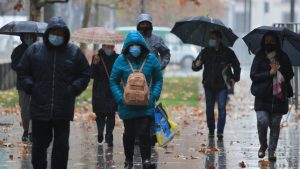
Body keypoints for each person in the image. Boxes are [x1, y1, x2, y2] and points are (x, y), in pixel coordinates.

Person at [17, 16, 90, 169]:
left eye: (60, 33)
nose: (56, 36)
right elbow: (23, 71)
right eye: (54, 32)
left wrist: (74, 88)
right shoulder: (35, 50)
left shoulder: (74, 52)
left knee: (61, 147)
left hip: (63, 109)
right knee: (39, 146)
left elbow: (84, 73)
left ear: (65, 34)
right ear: (48, 32)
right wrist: (31, 87)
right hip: (39, 107)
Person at [110, 31, 163, 169]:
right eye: (132, 45)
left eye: (137, 44)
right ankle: (128, 161)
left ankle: (146, 160)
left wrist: (154, 96)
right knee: (129, 133)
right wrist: (120, 99)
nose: (135, 47)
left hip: (146, 104)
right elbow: (113, 81)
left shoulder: (151, 59)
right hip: (127, 105)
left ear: (142, 45)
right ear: (127, 46)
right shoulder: (121, 60)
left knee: (144, 132)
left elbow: (158, 78)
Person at [250, 31, 294, 161]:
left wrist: (280, 72)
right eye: (267, 41)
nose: (269, 43)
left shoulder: (283, 57)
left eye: (272, 41)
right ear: (263, 42)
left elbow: (290, 74)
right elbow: (253, 75)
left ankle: (271, 151)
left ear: (277, 42)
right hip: (262, 96)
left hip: (279, 97)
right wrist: (269, 73)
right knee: (262, 121)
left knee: (275, 124)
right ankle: (263, 145)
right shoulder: (259, 57)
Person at [192, 30, 241, 140]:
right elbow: (195, 66)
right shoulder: (205, 52)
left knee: (221, 108)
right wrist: (196, 64)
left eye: (213, 38)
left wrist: (234, 78)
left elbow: (237, 66)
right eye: (210, 38)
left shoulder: (228, 52)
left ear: (219, 39)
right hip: (208, 84)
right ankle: (211, 129)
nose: (211, 40)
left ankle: (220, 132)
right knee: (209, 109)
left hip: (222, 85)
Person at [11, 33, 37, 142]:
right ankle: (26, 130)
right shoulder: (18, 50)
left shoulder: (39, 48)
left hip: (37, 84)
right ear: (22, 37)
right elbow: (14, 66)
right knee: (25, 109)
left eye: (30, 36)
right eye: (26, 36)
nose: (28, 38)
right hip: (23, 85)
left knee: (35, 108)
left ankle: (33, 132)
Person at [91, 44, 118, 147]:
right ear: (102, 46)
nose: (109, 49)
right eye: (106, 46)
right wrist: (94, 64)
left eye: (111, 46)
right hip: (99, 90)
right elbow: (92, 75)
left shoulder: (118, 58)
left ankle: (109, 135)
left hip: (112, 89)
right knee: (100, 114)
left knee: (111, 114)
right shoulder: (97, 57)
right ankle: (100, 132)